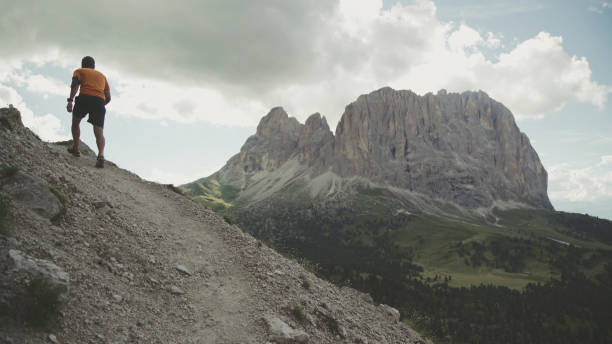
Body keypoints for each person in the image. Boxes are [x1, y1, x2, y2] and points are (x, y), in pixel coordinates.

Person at [66, 56, 111, 168]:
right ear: (94, 66)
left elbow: (75, 85)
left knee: (75, 123)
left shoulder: (79, 71)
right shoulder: (102, 76)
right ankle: (100, 155)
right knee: (99, 131)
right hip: (99, 101)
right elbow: (108, 97)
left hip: (84, 97)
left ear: (82, 64)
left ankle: (76, 148)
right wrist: (100, 105)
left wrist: (70, 100)